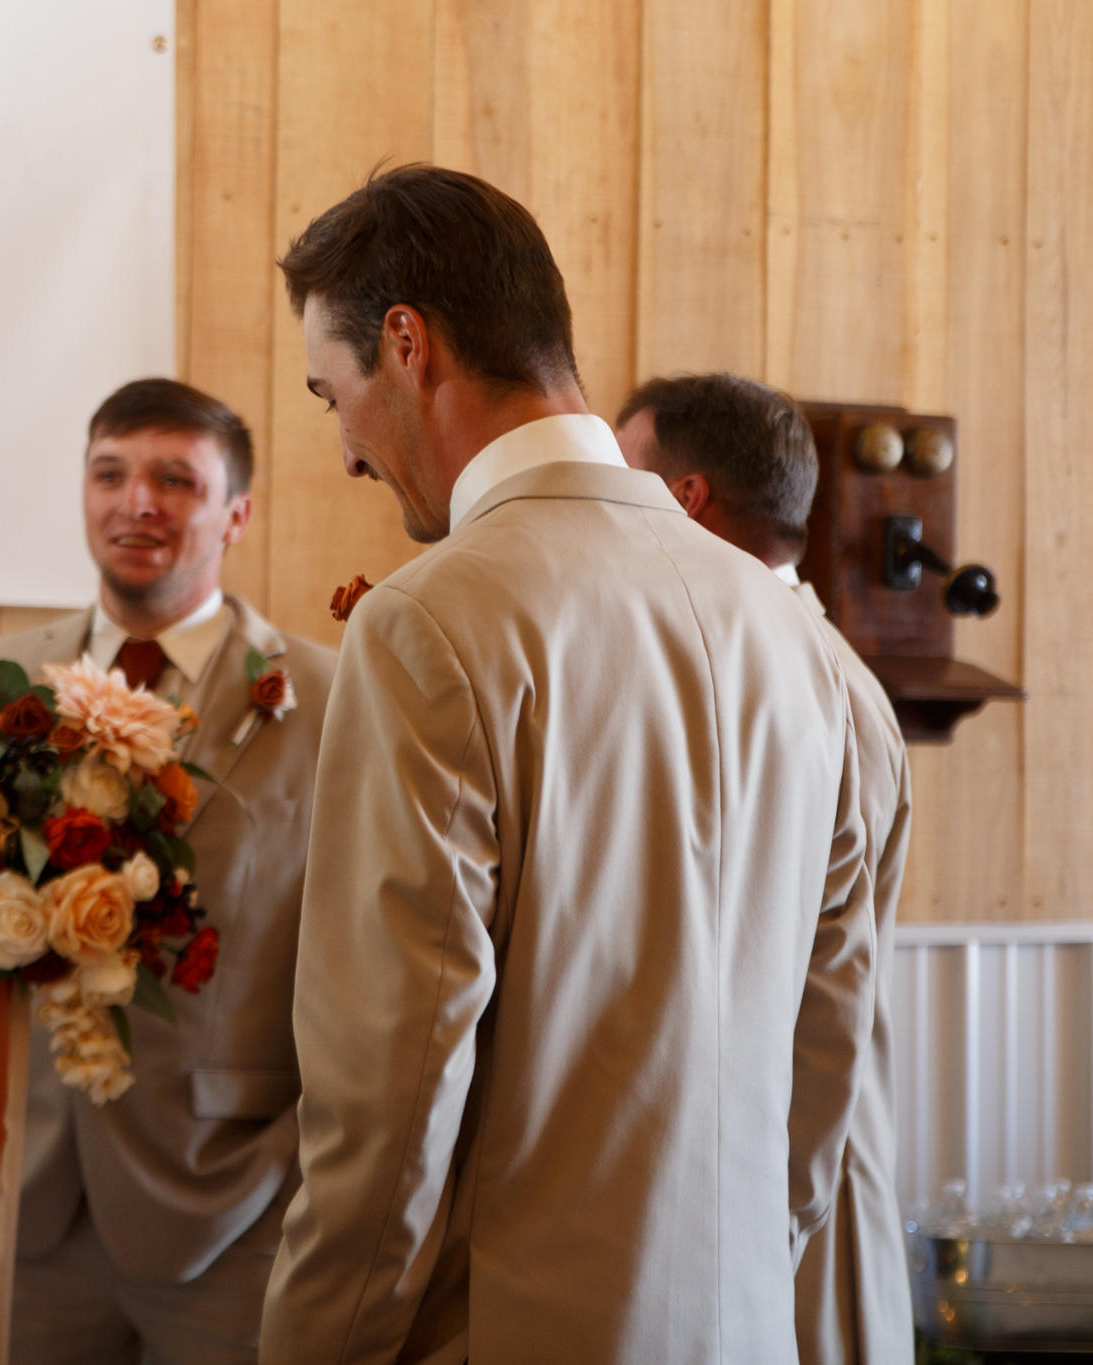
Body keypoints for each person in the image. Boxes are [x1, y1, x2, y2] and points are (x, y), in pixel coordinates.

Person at [258, 165, 878, 1365]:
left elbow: (389, 1090)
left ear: (406, 345)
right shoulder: (802, 643)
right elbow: (828, 1046)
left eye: (332, 394)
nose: (344, 452)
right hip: (746, 1326)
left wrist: (315, 1347)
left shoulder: (430, 622)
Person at [0, 378, 335, 1365]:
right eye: (110, 474)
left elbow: (356, 956)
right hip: (24, 1198)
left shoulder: (324, 694)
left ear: (236, 514)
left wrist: (298, 1163)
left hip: (234, 1203)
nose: (137, 502)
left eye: (174, 479)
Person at [617, 373, 914, 1365]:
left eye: (622, 478)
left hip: (795, 1192)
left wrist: (769, 1221)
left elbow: (830, 992)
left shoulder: (817, 685)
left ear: (684, 498)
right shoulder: (765, 662)